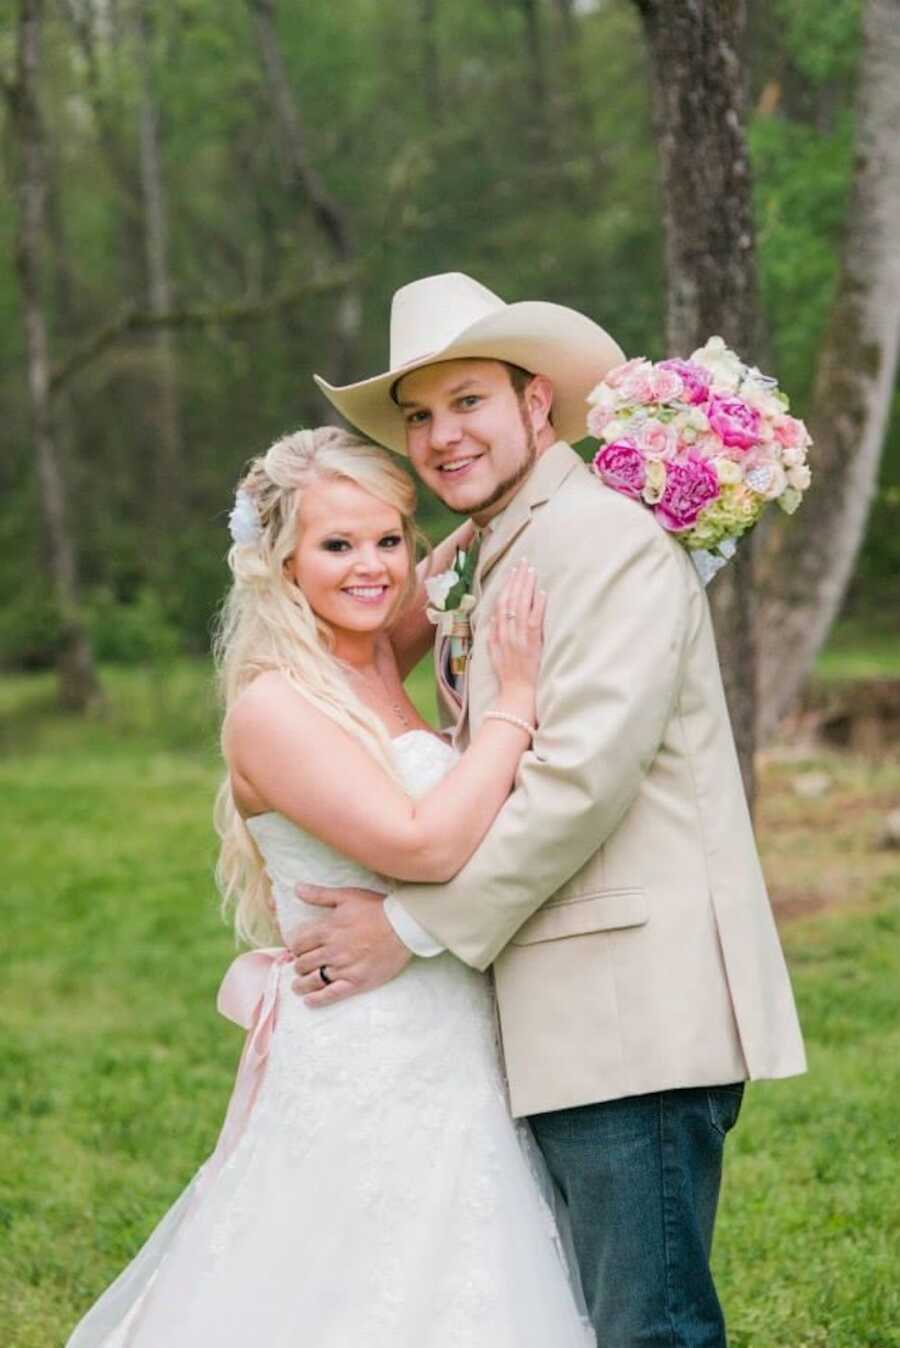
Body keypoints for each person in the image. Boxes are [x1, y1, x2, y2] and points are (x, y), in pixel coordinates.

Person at [292, 272, 808, 1347]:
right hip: (569, 1013)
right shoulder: (500, 548)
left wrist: (406, 928)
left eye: (468, 400)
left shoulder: (601, 542)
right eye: (420, 416)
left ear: (537, 404)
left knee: (648, 1328)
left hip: (633, 1012)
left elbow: (577, 783)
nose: (442, 436)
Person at [65, 425, 596, 1348]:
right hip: (367, 1051)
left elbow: (481, 536)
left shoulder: (375, 649)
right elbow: (422, 845)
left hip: (452, 1032)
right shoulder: (275, 705)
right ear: (279, 561)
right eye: (337, 545)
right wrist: (510, 708)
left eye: (388, 538)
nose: (374, 568)